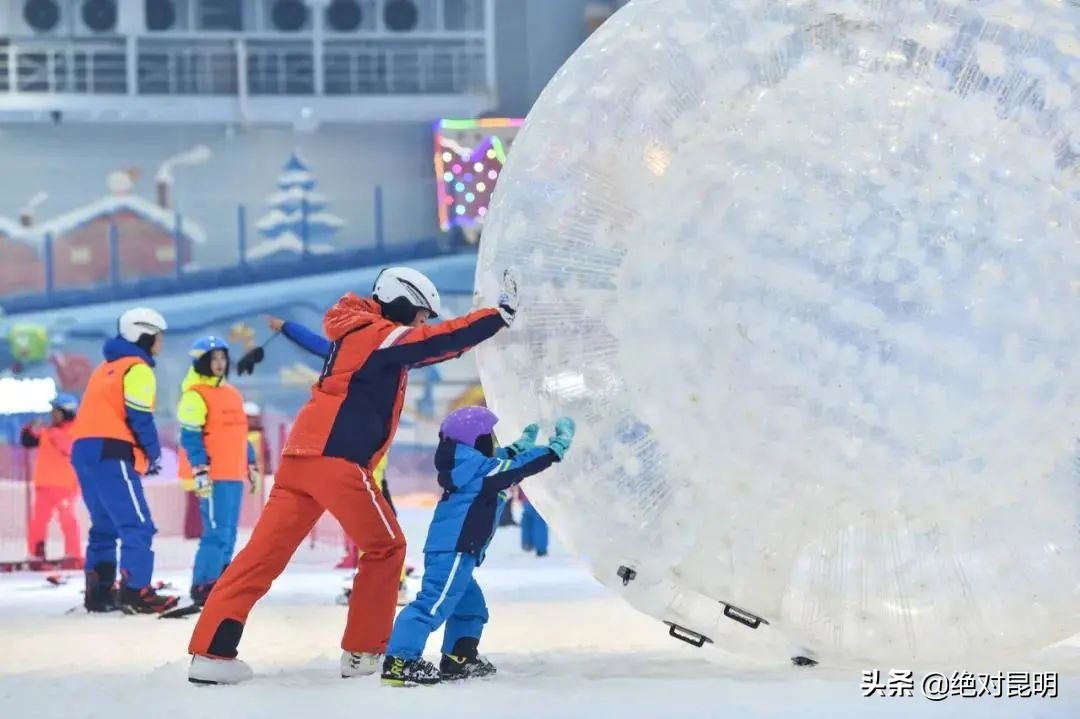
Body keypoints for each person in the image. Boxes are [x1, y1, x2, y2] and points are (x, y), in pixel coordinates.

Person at [187, 266, 520, 685]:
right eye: (420, 313)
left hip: (301, 458)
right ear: (400, 302)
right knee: (386, 547)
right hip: (338, 458)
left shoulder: (357, 332)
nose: (422, 322)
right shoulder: (375, 334)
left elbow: (425, 346)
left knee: (261, 556)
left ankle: (212, 653)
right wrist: (498, 315)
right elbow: (436, 341)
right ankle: (364, 652)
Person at [381, 408, 575, 686]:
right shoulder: (478, 470)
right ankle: (400, 662)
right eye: (488, 436)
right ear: (477, 440)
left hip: (457, 550)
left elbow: (502, 461)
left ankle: (458, 659)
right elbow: (515, 468)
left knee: (471, 608)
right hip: (454, 549)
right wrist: (554, 450)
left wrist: (521, 444)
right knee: (431, 605)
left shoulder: (468, 465)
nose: (492, 441)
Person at [70, 307, 178, 614]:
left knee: (104, 525)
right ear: (143, 335)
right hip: (112, 451)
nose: (161, 343)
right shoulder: (137, 368)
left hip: (84, 451)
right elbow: (139, 417)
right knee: (138, 525)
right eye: (158, 336)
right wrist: (154, 453)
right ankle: (136, 591)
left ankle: (99, 593)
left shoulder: (104, 368)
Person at [177, 336, 260, 606]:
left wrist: (250, 463)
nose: (219, 364)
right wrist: (200, 469)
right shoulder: (194, 395)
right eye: (213, 359)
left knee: (230, 531)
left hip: (233, 474)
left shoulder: (232, 393)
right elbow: (190, 438)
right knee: (215, 532)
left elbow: (240, 433)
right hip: (212, 475)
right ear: (202, 361)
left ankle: (222, 582)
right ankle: (203, 584)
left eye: (223, 358)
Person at [20, 393, 82, 567]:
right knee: (38, 522)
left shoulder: (75, 430)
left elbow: (70, 449)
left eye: (57, 411)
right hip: (44, 485)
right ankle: (36, 553)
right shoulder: (48, 431)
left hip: (65, 485)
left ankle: (73, 554)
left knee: (67, 520)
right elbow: (28, 442)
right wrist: (28, 429)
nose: (53, 415)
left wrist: (54, 434)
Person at [519, 488, 550, 557]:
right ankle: (540, 548)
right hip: (538, 496)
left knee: (528, 518)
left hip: (525, 496)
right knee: (539, 520)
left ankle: (527, 543)